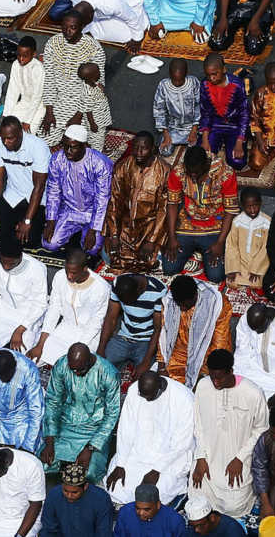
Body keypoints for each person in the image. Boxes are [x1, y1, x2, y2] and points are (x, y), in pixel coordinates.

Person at [191, 349, 269, 517]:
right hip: (208, 456)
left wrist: (240, 458)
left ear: (231, 372)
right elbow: (198, 423)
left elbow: (261, 429)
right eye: (212, 377)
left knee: (234, 507)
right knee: (196, 497)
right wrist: (200, 456)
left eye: (220, 377)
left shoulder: (253, 393)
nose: (216, 383)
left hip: (237, 459)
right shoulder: (203, 386)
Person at [106, 371, 195, 505]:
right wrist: (121, 464)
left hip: (170, 458)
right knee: (117, 487)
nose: (146, 400)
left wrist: (157, 470)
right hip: (137, 453)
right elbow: (126, 429)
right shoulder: (134, 390)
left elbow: (182, 443)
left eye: (149, 397)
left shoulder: (184, 398)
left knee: (155, 493)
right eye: (143, 396)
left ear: (160, 387)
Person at [40, 344, 119, 482]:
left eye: (80, 369)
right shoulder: (62, 365)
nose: (76, 373)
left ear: (89, 360)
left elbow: (112, 414)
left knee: (89, 474)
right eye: (73, 370)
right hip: (65, 426)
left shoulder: (108, 373)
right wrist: (50, 440)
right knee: (42, 465)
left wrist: (90, 448)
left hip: (94, 430)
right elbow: (53, 401)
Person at [163, 145, 238, 280]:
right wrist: (172, 237)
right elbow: (172, 204)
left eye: (197, 172)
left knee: (216, 276)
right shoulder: (178, 171)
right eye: (190, 172)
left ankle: (201, 252)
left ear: (206, 164)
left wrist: (220, 242)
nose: (193, 176)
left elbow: (230, 211)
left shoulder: (225, 173)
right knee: (169, 268)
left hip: (215, 227)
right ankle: (196, 252)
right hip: (187, 225)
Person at [27, 249, 108, 367]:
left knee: (72, 366)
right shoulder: (60, 276)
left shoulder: (100, 287)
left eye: (74, 273)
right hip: (65, 328)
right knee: (33, 360)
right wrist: (41, 344)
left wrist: (78, 349)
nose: (69, 276)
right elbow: (53, 311)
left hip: (88, 335)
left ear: (85, 269)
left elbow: (96, 323)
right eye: (67, 271)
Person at [103, 131, 169, 273]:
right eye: (135, 148)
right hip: (126, 226)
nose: (138, 152)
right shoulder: (123, 166)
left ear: (153, 149)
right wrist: (114, 234)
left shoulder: (164, 171)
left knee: (151, 261)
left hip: (150, 227)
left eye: (143, 148)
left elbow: (164, 210)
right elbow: (114, 201)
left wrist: (152, 240)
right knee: (111, 257)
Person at [42, 125, 112, 256]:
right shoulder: (57, 159)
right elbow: (53, 190)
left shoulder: (100, 163)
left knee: (91, 249)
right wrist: (50, 221)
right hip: (69, 209)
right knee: (49, 244)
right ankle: (74, 233)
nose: (68, 151)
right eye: (65, 145)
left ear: (84, 146)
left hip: (92, 212)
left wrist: (93, 229)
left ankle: (87, 233)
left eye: (73, 147)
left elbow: (102, 199)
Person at [39, 11, 106, 147]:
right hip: (60, 100)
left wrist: (78, 115)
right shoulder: (52, 44)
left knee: (94, 146)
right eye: (64, 27)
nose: (67, 31)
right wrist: (49, 111)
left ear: (81, 27)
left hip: (86, 104)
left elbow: (98, 87)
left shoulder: (94, 49)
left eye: (73, 27)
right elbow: (49, 79)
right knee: (43, 141)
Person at [0, 115, 50, 248]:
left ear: (20, 133)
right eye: (3, 138)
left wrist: (27, 221)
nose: (5, 142)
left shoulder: (38, 147)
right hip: (13, 194)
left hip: (36, 198)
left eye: (10, 138)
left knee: (28, 239)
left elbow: (39, 187)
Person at [159, 275, 232, 388]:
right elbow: (163, 334)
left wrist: (205, 373)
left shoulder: (216, 303)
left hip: (205, 357)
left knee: (204, 389)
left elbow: (220, 342)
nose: (182, 308)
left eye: (185, 304)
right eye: (180, 305)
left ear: (195, 296)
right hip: (177, 356)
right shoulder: (171, 301)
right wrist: (162, 365)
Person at [0, 347, 44, 453]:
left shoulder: (28, 369)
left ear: (15, 367)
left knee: (31, 443)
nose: (3, 379)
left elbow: (36, 410)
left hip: (19, 416)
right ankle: (1, 450)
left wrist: (27, 447)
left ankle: (5, 449)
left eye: (7, 374)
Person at [0, 236, 48, 349]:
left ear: (21, 257)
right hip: (4, 310)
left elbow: (40, 304)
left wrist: (21, 329)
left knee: (21, 352)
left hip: (28, 315)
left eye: (11, 264)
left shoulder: (37, 269)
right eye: (3, 262)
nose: (6, 267)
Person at [97, 273, 168, 374]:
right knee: (100, 368)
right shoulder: (118, 283)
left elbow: (158, 329)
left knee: (146, 378)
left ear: (138, 291)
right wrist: (101, 348)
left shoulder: (159, 290)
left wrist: (146, 361)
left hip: (146, 342)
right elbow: (111, 318)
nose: (126, 304)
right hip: (123, 338)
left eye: (129, 300)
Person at [233, 303, 275, 404]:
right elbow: (242, 353)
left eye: (259, 329)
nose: (256, 333)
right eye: (254, 330)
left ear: (268, 318)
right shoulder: (245, 320)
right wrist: (236, 377)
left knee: (270, 411)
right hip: (252, 372)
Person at [68, 0, 149, 51]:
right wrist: (85, 30)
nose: (67, 33)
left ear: (90, 16)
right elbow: (77, 16)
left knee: (127, 35)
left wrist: (137, 39)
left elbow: (131, 17)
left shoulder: (111, 4)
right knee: (98, 31)